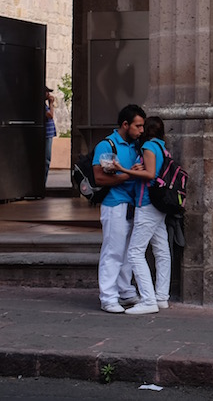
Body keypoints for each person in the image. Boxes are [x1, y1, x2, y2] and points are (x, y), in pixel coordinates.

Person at [111, 116, 171, 315]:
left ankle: (148, 300)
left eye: (143, 127)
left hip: (146, 204)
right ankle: (161, 296)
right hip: (158, 205)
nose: (140, 130)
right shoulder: (162, 147)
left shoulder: (149, 147)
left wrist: (122, 169)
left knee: (135, 253)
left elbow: (150, 174)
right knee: (161, 250)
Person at [92, 104, 145, 313]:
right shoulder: (107, 145)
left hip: (132, 203)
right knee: (113, 250)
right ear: (125, 124)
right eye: (137, 126)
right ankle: (108, 296)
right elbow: (99, 178)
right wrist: (128, 174)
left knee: (128, 251)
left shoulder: (136, 145)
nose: (141, 130)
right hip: (114, 203)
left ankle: (125, 291)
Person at [44, 87, 56, 186]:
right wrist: (51, 103)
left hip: (49, 135)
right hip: (46, 135)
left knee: (47, 159)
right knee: (46, 159)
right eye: (47, 92)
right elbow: (50, 115)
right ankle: (42, 183)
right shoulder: (42, 106)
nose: (48, 94)